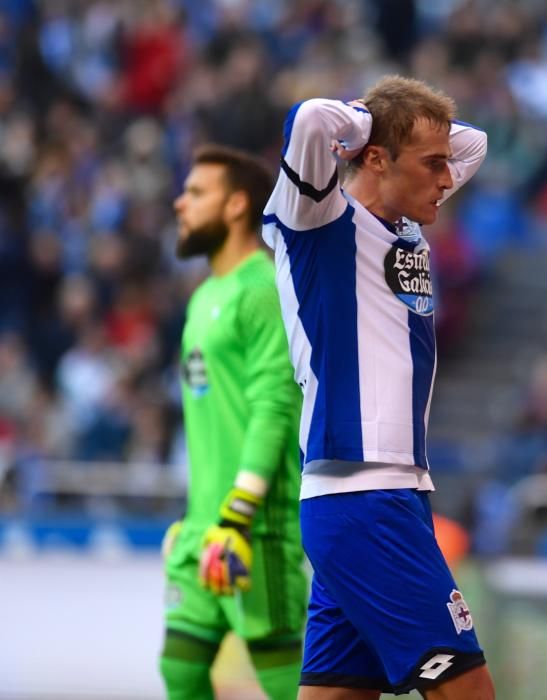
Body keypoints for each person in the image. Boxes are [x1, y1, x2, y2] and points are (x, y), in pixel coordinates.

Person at [262, 75, 495, 699]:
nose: (449, 179)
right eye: (432, 165)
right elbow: (313, 118)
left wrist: (409, 126)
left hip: (384, 495)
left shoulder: (407, 220)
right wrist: (376, 119)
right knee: (468, 691)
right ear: (373, 157)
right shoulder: (315, 219)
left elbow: (475, 145)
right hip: (364, 494)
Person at [160, 144, 306, 700]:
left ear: (237, 205)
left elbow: (273, 406)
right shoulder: (204, 299)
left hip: (253, 529)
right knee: (181, 670)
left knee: (289, 684)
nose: (181, 203)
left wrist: (237, 515)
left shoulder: (263, 289)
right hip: (203, 530)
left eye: (197, 193)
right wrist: (199, 517)